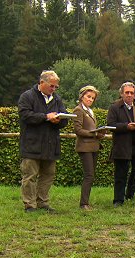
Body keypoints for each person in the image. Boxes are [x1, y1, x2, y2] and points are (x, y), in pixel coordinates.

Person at [17, 70, 69, 213]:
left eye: (56, 87)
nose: (54, 89)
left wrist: (58, 120)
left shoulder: (57, 99)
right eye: (51, 86)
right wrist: (46, 117)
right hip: (32, 144)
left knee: (48, 175)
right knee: (30, 176)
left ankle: (43, 202)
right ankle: (29, 205)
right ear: (41, 83)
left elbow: (64, 121)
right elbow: (25, 115)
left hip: (51, 145)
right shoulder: (27, 96)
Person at [106, 81, 135, 207]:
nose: (129, 95)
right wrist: (126, 127)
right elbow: (110, 125)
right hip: (122, 145)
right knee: (120, 174)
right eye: (127, 92)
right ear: (121, 94)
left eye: (131, 93)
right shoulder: (114, 108)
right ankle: (118, 200)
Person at [72, 85, 105, 211]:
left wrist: (99, 134)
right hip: (84, 146)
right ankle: (83, 203)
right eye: (88, 97)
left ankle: (86, 202)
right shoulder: (78, 110)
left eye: (92, 98)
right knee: (89, 175)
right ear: (82, 96)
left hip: (94, 146)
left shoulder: (90, 111)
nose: (90, 99)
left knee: (91, 175)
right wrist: (94, 134)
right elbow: (78, 130)